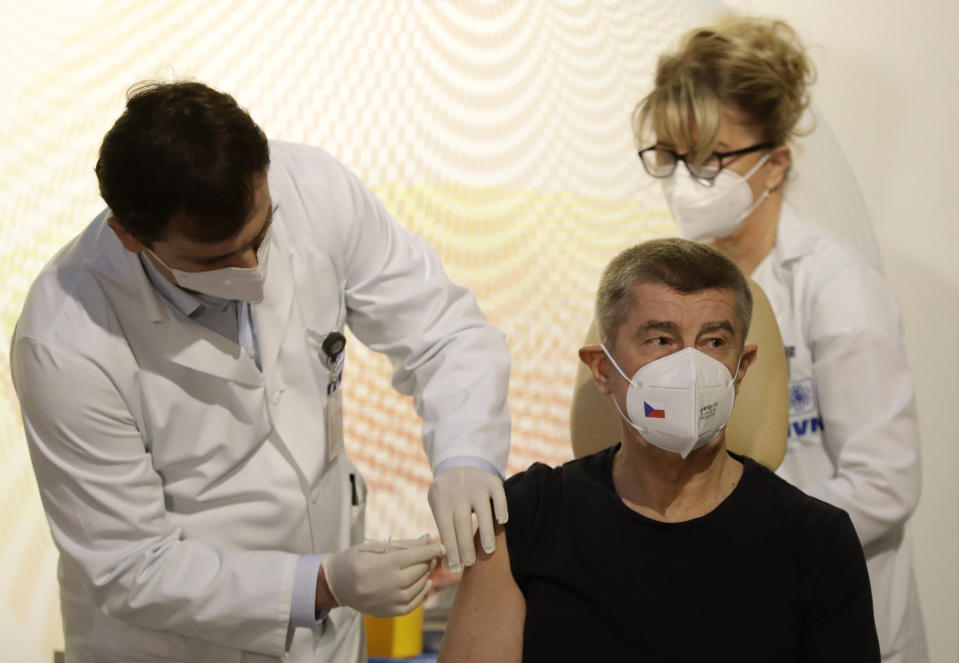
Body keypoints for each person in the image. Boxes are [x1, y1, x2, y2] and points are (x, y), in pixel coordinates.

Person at [11, 81, 511, 663]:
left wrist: (466, 459)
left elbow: (444, 332)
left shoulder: (313, 190)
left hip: (329, 640)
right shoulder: (65, 339)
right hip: (177, 647)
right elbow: (129, 565)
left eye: (262, 234)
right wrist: (321, 583)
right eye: (215, 259)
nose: (252, 270)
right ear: (130, 237)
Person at [631, 16, 925, 662]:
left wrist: (730, 528)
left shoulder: (836, 288)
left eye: (711, 159)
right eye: (672, 157)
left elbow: (884, 484)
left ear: (774, 163)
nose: (686, 180)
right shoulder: (677, 292)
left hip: (840, 618)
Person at [439, 238, 880, 662]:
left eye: (713, 342)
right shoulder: (526, 519)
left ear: (741, 368)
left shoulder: (815, 543)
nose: (689, 369)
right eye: (661, 341)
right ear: (602, 368)